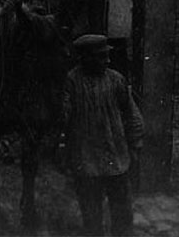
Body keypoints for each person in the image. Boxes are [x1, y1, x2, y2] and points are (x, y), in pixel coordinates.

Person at [62, 34, 143, 237]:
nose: (107, 60)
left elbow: (131, 114)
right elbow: (62, 118)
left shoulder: (116, 79)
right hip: (86, 163)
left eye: (107, 56)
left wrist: (135, 145)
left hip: (116, 160)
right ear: (84, 58)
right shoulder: (71, 82)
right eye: (100, 57)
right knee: (91, 219)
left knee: (123, 216)